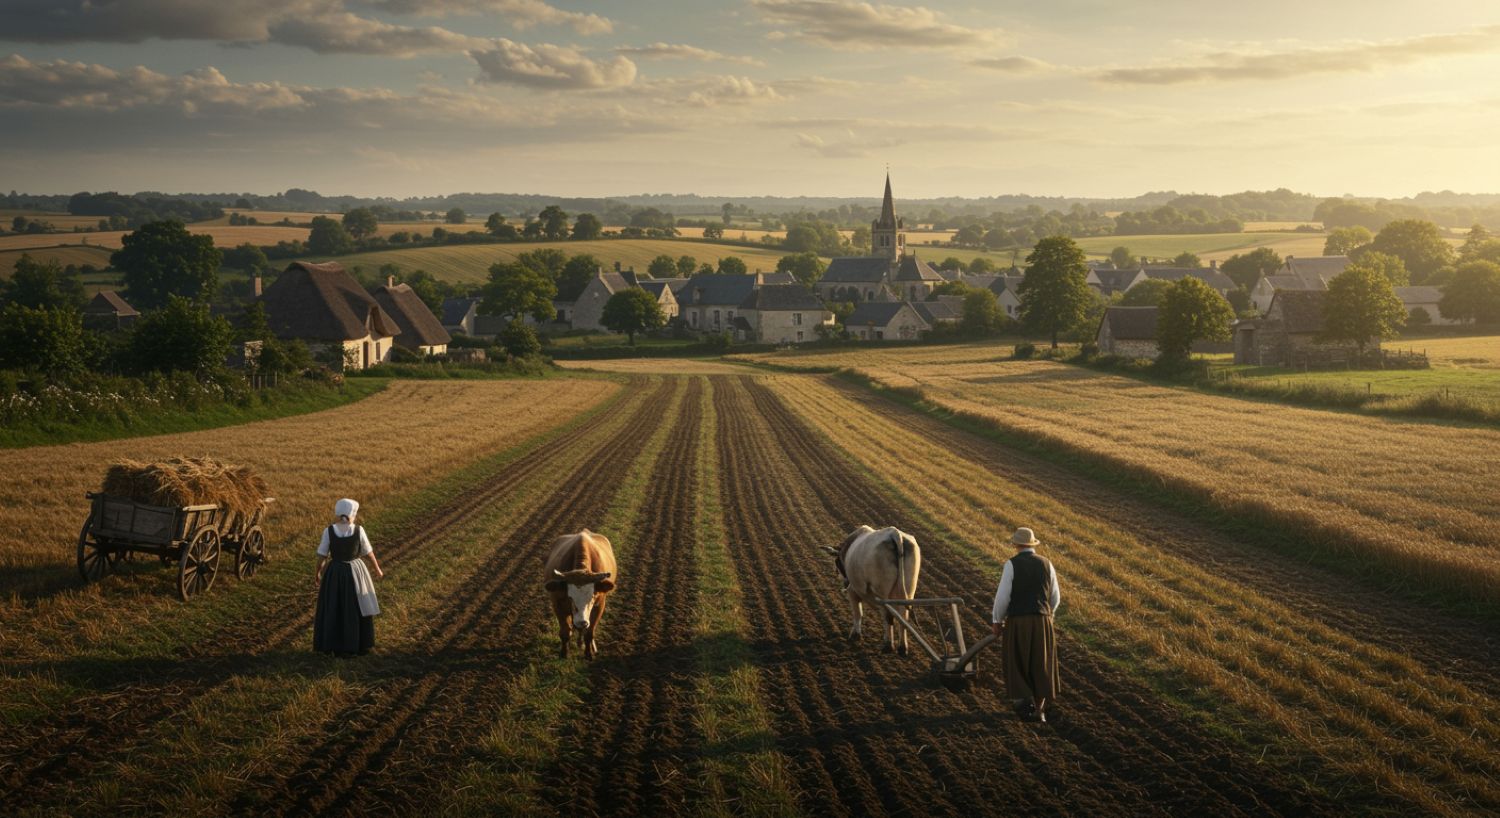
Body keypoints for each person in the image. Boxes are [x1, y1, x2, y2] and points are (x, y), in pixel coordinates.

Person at [991, 527, 1061, 723]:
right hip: (1043, 620)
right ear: (1032, 544)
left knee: (1018, 661)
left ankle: (1023, 703)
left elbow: (1003, 597)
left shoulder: (1011, 564)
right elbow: (1055, 597)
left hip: (1018, 621)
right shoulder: (1047, 563)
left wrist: (997, 620)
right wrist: (1049, 615)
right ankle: (1039, 710)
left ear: (1016, 545)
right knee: (1040, 664)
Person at [313, 498, 384, 656]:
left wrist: (317, 573)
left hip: (335, 572)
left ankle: (334, 645)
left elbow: (322, 556)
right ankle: (358, 644)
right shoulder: (359, 530)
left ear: (338, 513)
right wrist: (377, 569)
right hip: (355, 571)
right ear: (353, 513)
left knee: (334, 606)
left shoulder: (328, 531)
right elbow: (368, 553)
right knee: (357, 605)